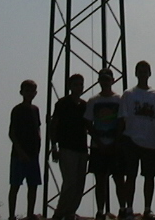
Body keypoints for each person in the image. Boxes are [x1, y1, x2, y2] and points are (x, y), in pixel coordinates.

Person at [120, 60, 155, 220]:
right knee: (130, 176)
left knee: (149, 176)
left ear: (149, 73)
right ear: (136, 73)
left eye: (145, 70)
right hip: (131, 139)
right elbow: (122, 119)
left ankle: (147, 208)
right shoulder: (128, 94)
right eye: (140, 70)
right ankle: (129, 208)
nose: (143, 73)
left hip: (150, 141)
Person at [85, 68, 126, 220]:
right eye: (102, 79)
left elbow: (122, 121)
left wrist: (116, 141)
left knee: (119, 178)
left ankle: (122, 208)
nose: (105, 82)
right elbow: (89, 123)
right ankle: (100, 211)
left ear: (112, 80)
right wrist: (98, 142)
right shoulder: (93, 101)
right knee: (100, 180)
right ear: (99, 81)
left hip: (115, 145)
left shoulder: (119, 99)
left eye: (107, 79)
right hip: (98, 146)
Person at [50, 73, 88, 220]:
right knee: (70, 182)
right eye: (76, 84)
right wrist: (54, 147)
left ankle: (70, 211)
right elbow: (54, 126)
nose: (79, 87)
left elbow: (88, 127)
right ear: (70, 86)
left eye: (80, 84)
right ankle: (60, 212)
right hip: (67, 148)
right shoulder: (62, 104)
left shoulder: (84, 105)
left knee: (80, 183)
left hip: (82, 148)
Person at [9, 79, 42, 220]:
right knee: (15, 185)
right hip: (19, 155)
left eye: (32, 91)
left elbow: (38, 128)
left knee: (33, 185)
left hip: (33, 153)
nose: (30, 93)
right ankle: (12, 215)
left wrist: (39, 143)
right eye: (27, 90)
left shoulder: (35, 109)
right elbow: (12, 133)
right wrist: (20, 151)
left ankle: (30, 214)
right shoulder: (17, 110)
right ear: (21, 92)